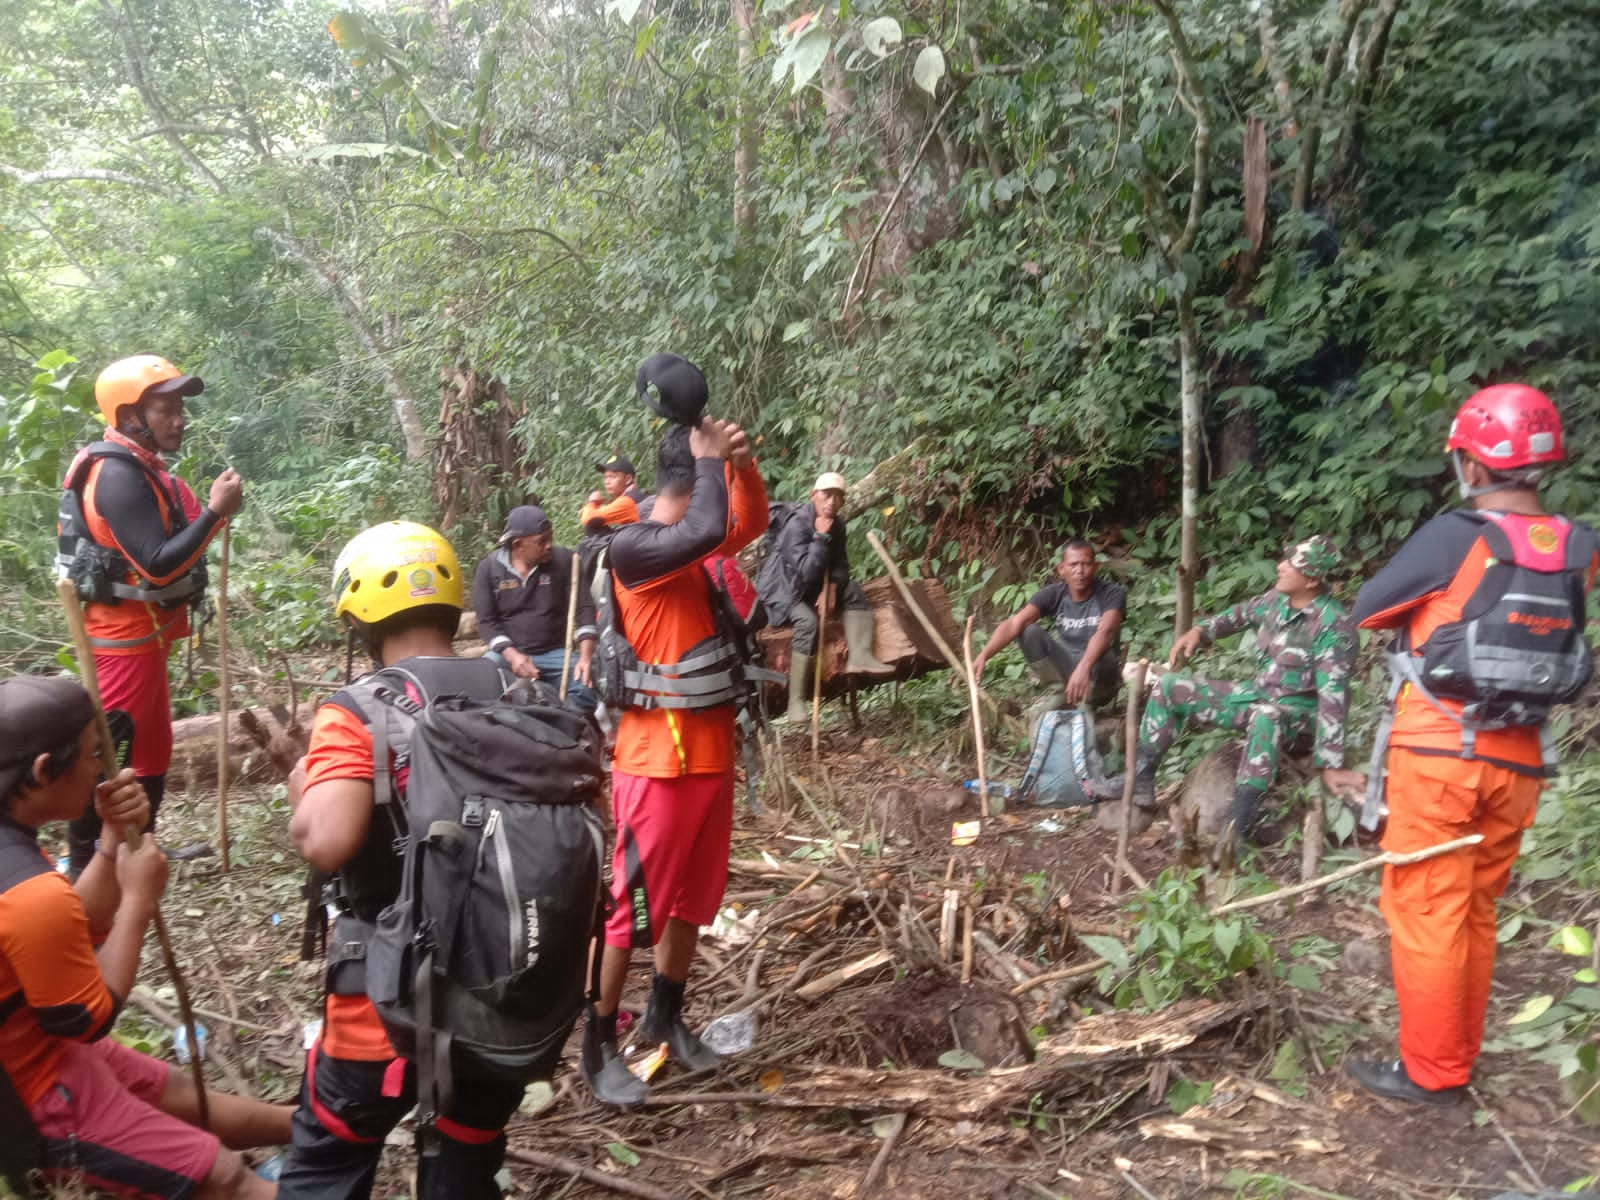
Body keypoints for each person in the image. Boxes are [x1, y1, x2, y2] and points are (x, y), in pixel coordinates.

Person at [1345, 385, 1598, 1106]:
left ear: (1476, 465)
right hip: (1518, 761)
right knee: (1475, 911)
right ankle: (1452, 1056)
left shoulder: (1458, 535)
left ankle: (1432, 1071)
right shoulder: (1578, 546)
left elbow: (1370, 611)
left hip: (1437, 757)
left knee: (1427, 912)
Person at [278, 522, 528, 1199]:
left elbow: (326, 841)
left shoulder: (354, 710)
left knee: (329, 1161)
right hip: (501, 996)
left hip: (382, 1004)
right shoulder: (516, 691)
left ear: (359, 617)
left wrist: (303, 795)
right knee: (467, 1162)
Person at [0, 675, 290, 1199]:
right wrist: (138, 900)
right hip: (32, 1099)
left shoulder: (14, 855)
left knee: (171, 1089)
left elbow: (71, 930)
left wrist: (110, 844)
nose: (99, 768)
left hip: (44, 1046)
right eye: (92, 754)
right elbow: (88, 1018)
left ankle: (311, 1129)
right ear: (45, 770)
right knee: (221, 1177)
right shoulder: (27, 891)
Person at [580, 392, 768, 1108]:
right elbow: (710, 525)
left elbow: (740, 522)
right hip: (652, 765)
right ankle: (597, 1041)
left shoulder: (697, 541)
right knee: (630, 911)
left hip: (711, 757)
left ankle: (666, 1015)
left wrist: (741, 467)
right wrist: (713, 465)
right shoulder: (636, 550)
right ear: (688, 483)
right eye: (711, 477)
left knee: (693, 899)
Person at [58, 354, 242, 878]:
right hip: (120, 647)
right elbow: (157, 566)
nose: (179, 418)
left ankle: (140, 850)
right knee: (110, 763)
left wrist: (209, 513)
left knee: (152, 757)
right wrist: (215, 513)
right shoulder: (116, 473)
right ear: (129, 415)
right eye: (165, 408)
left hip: (148, 642)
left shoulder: (143, 468)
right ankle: (84, 870)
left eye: (180, 407)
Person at [1093, 536, 1361, 849]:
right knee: (1169, 688)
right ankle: (1140, 781)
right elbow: (1239, 615)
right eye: (1285, 559)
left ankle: (1236, 829)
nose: (1280, 566)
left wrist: (1330, 763)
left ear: (1313, 579)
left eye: (1291, 564)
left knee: (1266, 716)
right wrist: (1199, 632)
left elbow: (1333, 698)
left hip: (1301, 719)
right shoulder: (1276, 601)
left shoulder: (1333, 625)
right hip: (1260, 696)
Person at [756, 471, 893, 723]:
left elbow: (841, 565)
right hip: (783, 590)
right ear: (813, 495)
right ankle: (795, 700)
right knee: (807, 622)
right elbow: (806, 573)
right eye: (826, 495)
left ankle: (860, 656)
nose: (831, 502)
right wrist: (819, 537)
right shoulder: (796, 525)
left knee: (852, 590)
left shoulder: (837, 524)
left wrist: (831, 587)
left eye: (838, 497)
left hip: (812, 585)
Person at [471, 505, 598, 714]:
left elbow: (585, 609)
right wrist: (513, 656)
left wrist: (585, 657)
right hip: (509, 654)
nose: (550, 545)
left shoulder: (567, 561)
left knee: (585, 686)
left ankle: (567, 729)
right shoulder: (489, 569)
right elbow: (486, 622)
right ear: (518, 544)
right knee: (483, 679)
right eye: (541, 541)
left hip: (556, 654)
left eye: (551, 538)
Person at [973, 539, 1125, 708]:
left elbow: (1106, 631)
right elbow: (1014, 623)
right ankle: (1062, 692)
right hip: (1069, 666)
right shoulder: (1054, 594)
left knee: (1104, 653)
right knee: (1028, 632)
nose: (1079, 571)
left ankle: (1088, 698)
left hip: (1101, 673)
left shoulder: (1112, 593)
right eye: (1073, 565)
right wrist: (984, 655)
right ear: (1062, 569)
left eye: (1086, 564)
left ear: (1096, 567)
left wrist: (1084, 668)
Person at [580, 452, 647, 531]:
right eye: (605, 477)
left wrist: (592, 502)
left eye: (612, 477)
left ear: (628, 479)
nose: (607, 482)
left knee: (592, 527)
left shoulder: (627, 501)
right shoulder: (634, 497)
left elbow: (589, 519)